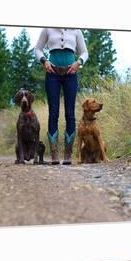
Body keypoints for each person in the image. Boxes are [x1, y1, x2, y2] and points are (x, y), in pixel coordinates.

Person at [34, 28, 88, 165]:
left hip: (71, 74)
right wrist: (44, 61)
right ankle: (54, 155)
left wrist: (78, 62)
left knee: (70, 113)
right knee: (53, 112)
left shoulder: (76, 30)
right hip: (52, 74)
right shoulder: (47, 28)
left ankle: (67, 155)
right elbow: (37, 49)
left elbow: (84, 52)